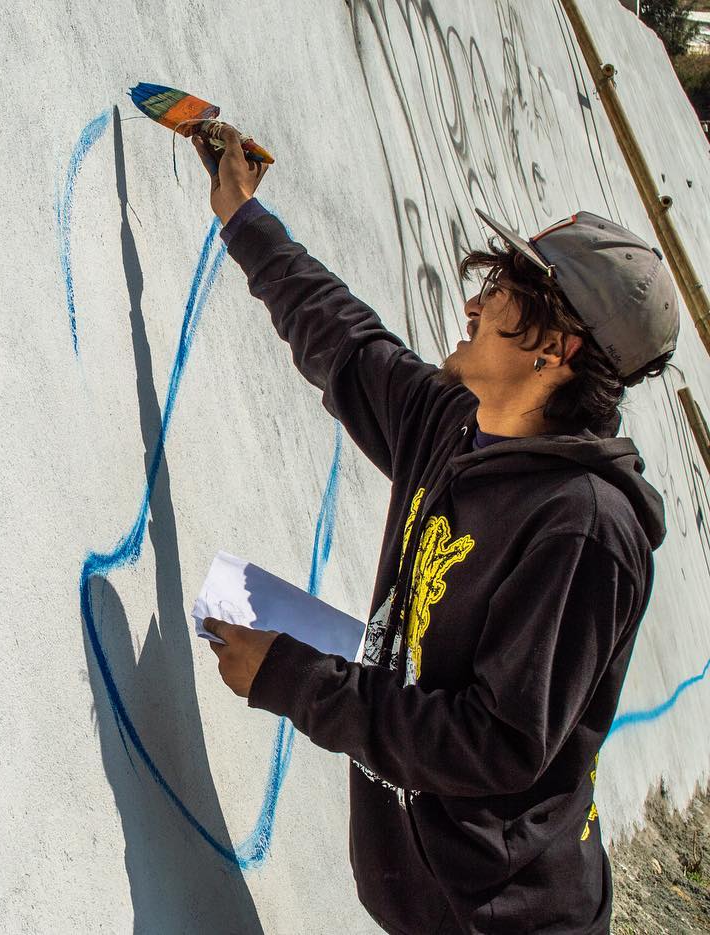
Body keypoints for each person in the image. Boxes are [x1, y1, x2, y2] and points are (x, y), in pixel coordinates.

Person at [189, 124, 679, 934]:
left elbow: (494, 742)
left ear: (556, 349)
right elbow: (343, 339)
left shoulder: (584, 529)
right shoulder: (452, 425)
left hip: (504, 919)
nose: (474, 302)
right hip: (423, 900)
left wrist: (291, 678)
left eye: (504, 289)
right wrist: (243, 216)